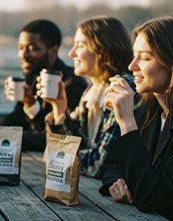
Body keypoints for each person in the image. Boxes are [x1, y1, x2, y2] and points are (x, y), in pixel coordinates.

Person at [104, 15, 173, 220]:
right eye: (134, 55)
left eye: (145, 58)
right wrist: (120, 181)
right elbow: (111, 165)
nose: (132, 66)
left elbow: (153, 195)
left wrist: (127, 123)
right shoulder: (149, 112)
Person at [41, 16, 139, 195]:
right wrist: (59, 107)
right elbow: (72, 145)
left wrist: (60, 159)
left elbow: (96, 165)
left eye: (80, 45)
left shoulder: (122, 89)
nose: (72, 53)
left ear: (103, 49)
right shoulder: (92, 90)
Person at [0, 19, 87, 150]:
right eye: (20, 48)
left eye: (32, 48)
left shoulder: (73, 84)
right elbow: (17, 118)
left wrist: (2, 136)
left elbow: (59, 137)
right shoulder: (32, 77)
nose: (24, 54)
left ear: (53, 51)